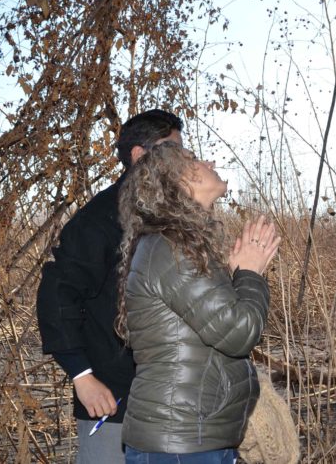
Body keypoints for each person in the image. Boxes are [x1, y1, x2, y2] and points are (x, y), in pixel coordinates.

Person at [115, 142, 280, 464]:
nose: (209, 160)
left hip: (193, 438)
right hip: (181, 443)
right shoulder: (170, 249)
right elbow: (237, 333)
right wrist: (249, 273)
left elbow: (214, 329)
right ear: (175, 181)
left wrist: (238, 276)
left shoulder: (179, 246)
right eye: (192, 159)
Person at [36, 109, 183, 463]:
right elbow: (57, 291)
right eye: (172, 150)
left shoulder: (171, 217)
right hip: (112, 399)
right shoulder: (102, 217)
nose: (182, 160)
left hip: (170, 401)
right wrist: (82, 376)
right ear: (139, 155)